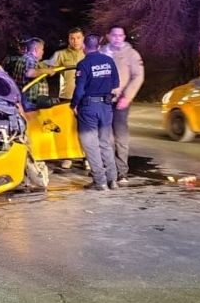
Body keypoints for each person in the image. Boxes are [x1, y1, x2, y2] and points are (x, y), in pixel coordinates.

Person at [71, 35, 120, 190]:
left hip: (89, 108)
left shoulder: (83, 64)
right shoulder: (109, 61)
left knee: (90, 145)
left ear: (84, 47)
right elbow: (115, 84)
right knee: (105, 144)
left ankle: (100, 182)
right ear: (99, 46)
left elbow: (79, 90)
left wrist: (73, 105)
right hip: (106, 107)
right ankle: (113, 180)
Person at [101, 25, 145, 184]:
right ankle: (105, 170)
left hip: (121, 102)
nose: (117, 38)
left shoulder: (131, 54)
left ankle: (121, 172)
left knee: (120, 137)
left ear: (124, 37)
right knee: (103, 137)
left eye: (120, 35)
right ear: (108, 36)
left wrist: (127, 96)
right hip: (102, 101)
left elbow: (138, 76)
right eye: (114, 35)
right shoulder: (101, 53)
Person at [10, 37, 58, 109]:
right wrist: (47, 71)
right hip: (30, 102)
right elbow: (30, 73)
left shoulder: (24, 58)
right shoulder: (30, 59)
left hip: (24, 101)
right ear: (36, 49)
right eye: (42, 49)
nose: (43, 52)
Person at [47, 27, 86, 101]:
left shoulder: (88, 54)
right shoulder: (60, 54)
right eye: (72, 38)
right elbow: (48, 71)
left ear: (83, 38)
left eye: (78, 38)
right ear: (68, 39)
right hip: (66, 97)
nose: (75, 41)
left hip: (85, 97)